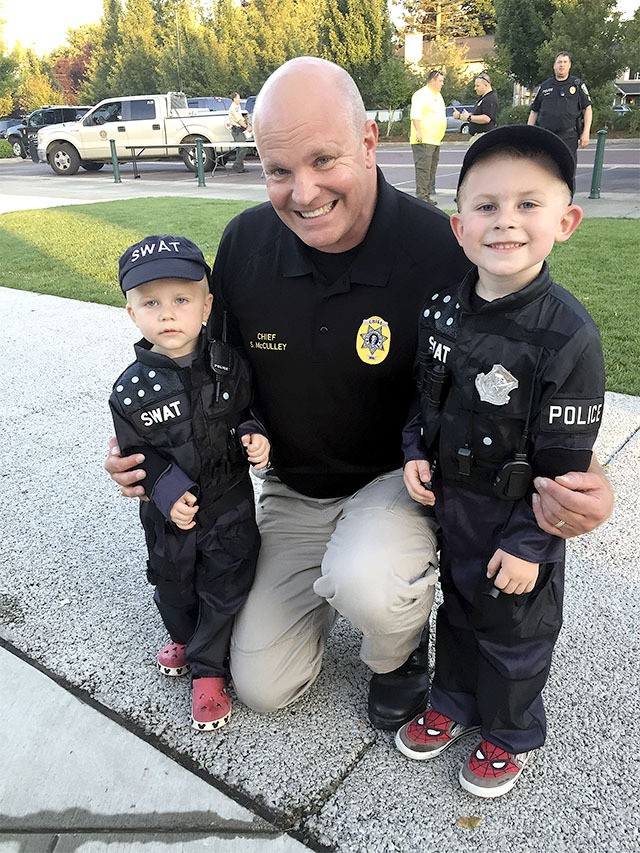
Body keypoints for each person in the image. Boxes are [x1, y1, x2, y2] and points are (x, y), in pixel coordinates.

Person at [106, 58, 614, 734]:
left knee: (368, 579)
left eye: (324, 159)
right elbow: (203, 367)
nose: (303, 190)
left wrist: (591, 478)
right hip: (293, 490)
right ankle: (337, 590)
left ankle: (398, 655)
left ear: (370, 144)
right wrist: (142, 443)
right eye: (279, 169)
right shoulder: (246, 244)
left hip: (401, 483)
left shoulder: (441, 249)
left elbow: (521, 374)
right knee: (261, 683)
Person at [396, 125, 605, 799]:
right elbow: (423, 400)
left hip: (518, 518)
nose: (505, 221)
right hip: (453, 505)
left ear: (565, 221)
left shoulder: (568, 336)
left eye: (527, 204)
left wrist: (529, 544)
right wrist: (413, 454)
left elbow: (569, 473)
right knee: (457, 611)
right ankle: (453, 699)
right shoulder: (439, 312)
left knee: (515, 630)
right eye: (486, 207)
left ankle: (509, 728)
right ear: (460, 227)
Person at [109, 235, 270, 732]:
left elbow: (249, 413)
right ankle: (182, 634)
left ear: (206, 307)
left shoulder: (229, 366)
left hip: (228, 507)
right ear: (132, 313)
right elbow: (136, 454)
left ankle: (207, 671)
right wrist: (163, 489)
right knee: (173, 582)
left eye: (181, 299)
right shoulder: (130, 390)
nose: (168, 314)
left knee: (224, 584)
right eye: (151, 303)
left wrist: (255, 435)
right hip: (170, 517)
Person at [528, 52, 592, 176]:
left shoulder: (577, 85)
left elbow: (587, 109)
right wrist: (529, 132)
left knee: (567, 169)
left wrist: (586, 132)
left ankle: (567, 195)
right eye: (559, 62)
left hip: (568, 135)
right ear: (554, 66)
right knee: (544, 169)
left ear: (569, 65)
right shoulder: (545, 86)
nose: (561, 65)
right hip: (546, 135)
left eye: (565, 62)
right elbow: (534, 111)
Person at [410, 70, 447, 204]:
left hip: (435, 139)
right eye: (440, 81)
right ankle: (421, 198)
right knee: (423, 170)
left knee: (431, 169)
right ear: (432, 81)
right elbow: (415, 115)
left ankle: (426, 195)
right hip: (424, 139)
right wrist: (418, 131)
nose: (442, 84)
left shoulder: (438, 95)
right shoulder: (421, 95)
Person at [454, 73, 498, 141]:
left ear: (486, 85)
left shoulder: (490, 99)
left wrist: (469, 117)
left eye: (477, 86)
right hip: (478, 136)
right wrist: (461, 116)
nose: (475, 88)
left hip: (483, 137)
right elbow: (478, 116)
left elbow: (486, 118)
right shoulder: (483, 98)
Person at [228, 92, 251, 173]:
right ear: (234, 99)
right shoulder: (234, 108)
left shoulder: (237, 106)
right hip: (237, 130)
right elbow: (238, 120)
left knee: (240, 149)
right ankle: (236, 165)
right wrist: (247, 127)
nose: (239, 100)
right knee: (243, 148)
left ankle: (240, 167)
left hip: (239, 130)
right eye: (238, 98)